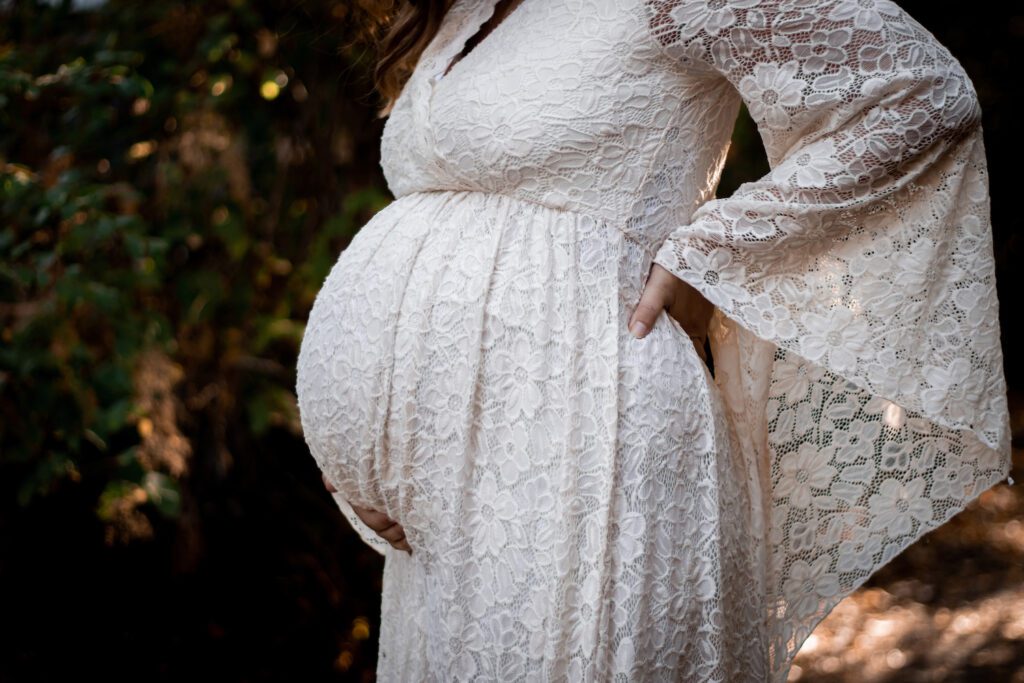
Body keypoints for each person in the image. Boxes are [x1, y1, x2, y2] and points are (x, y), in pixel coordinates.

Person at [295, 0, 1013, 680]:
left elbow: (919, 95)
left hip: (587, 439)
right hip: (433, 514)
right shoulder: (463, 13)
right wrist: (360, 443)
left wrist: (714, 251)